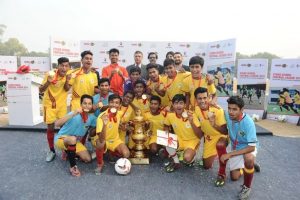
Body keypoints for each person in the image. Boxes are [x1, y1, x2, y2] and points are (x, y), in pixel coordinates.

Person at [220, 96, 259, 199]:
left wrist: (229, 154)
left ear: (242, 110)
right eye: (229, 108)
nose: (231, 112)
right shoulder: (227, 115)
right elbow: (216, 107)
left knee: (249, 158)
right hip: (236, 147)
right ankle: (248, 166)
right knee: (234, 177)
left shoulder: (248, 122)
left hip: (248, 147)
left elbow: (251, 147)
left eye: (234, 109)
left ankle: (246, 187)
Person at [54, 94, 97, 177]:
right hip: (61, 139)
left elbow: (99, 124)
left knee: (87, 159)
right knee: (72, 139)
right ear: (81, 105)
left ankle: (68, 152)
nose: (87, 106)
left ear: (92, 106)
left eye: (89, 104)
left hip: (74, 142)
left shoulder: (91, 118)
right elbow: (57, 123)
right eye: (85, 103)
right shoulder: (74, 114)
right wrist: (74, 113)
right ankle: (73, 167)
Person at [39, 57, 71, 162]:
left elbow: (67, 89)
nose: (64, 68)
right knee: (51, 128)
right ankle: (52, 150)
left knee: (63, 128)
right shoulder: (50, 74)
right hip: (49, 105)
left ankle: (64, 149)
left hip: (61, 105)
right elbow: (41, 89)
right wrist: (48, 82)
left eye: (66, 66)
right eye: (62, 65)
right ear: (58, 66)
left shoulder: (68, 74)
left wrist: (67, 80)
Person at [193, 87, 228, 186]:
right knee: (206, 166)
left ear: (209, 97)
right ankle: (216, 154)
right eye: (199, 98)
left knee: (220, 145)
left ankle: (222, 173)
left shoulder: (218, 110)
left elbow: (225, 131)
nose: (203, 101)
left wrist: (214, 125)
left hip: (220, 136)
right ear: (196, 99)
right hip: (209, 138)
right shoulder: (196, 109)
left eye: (205, 98)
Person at [90, 94, 130, 174]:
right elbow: (101, 138)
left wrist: (124, 126)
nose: (114, 105)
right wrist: (105, 124)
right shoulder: (102, 116)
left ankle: (110, 152)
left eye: (116, 103)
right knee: (100, 143)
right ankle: (100, 164)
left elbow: (124, 123)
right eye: (112, 102)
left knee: (126, 154)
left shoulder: (119, 113)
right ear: (108, 103)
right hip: (102, 139)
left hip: (115, 140)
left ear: (120, 105)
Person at [163, 94, 202, 172]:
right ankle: (176, 162)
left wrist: (191, 122)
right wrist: (166, 132)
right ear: (173, 105)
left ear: (184, 105)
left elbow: (200, 135)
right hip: (180, 140)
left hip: (192, 141)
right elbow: (166, 125)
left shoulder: (191, 115)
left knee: (187, 158)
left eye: (181, 103)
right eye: (176, 103)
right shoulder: (170, 116)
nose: (178, 106)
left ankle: (194, 155)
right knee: (164, 139)